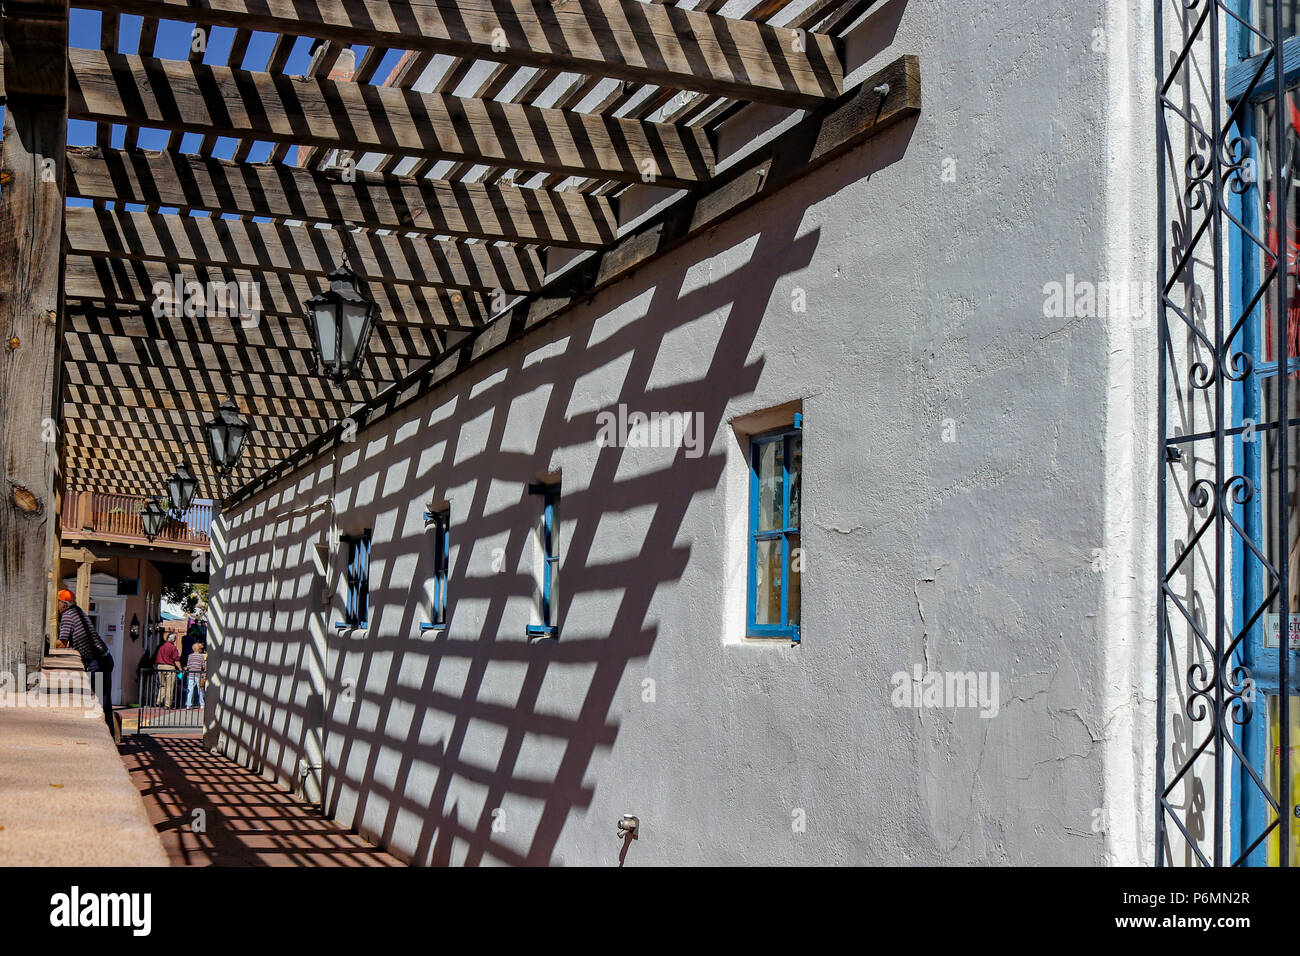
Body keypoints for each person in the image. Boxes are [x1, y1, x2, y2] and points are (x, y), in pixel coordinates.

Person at [56, 589, 114, 730]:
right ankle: (111, 735)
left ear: (63, 604)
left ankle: (101, 734)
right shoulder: (78, 611)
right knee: (105, 701)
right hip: (105, 658)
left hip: (97, 662)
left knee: (97, 702)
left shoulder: (68, 615)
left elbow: (62, 644)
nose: (57, 606)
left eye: (58, 603)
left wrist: (49, 646)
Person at [155, 633, 181, 708]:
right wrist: (180, 669)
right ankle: (167, 704)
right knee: (169, 686)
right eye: (175, 638)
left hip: (160, 666)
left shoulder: (161, 647)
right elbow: (176, 660)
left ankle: (159, 701)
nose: (175, 639)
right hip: (169, 667)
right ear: (173, 639)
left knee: (162, 685)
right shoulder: (173, 648)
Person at [184, 642, 207, 709]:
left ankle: (188, 704)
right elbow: (203, 666)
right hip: (198, 674)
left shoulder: (190, 656)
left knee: (190, 689)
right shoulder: (201, 656)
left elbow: (188, 665)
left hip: (191, 674)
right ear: (199, 649)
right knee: (200, 689)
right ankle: (202, 704)